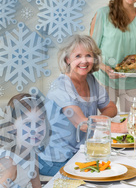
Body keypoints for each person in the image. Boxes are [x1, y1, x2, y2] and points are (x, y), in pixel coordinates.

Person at [38, 35, 127, 176]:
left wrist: (100, 119)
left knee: (120, 168)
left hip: (80, 154)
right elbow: (82, 124)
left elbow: (111, 108)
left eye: (88, 55)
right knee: (104, 176)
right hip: (55, 160)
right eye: (78, 56)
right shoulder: (60, 87)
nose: (84, 61)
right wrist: (121, 127)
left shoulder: (90, 80)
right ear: (67, 59)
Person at [0, 92, 49, 188]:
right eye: (27, 123)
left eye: (40, 122)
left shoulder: (32, 152)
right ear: (12, 126)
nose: (35, 129)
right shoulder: (9, 162)